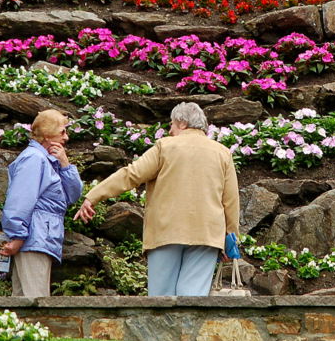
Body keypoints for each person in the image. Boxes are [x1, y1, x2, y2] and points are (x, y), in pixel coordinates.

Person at [75, 102, 239, 297]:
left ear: (182, 123)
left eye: (171, 125)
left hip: (166, 230)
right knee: (193, 299)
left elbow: (131, 175)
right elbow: (230, 200)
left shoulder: (165, 147)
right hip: (207, 234)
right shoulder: (222, 153)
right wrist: (231, 239)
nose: (169, 130)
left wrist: (93, 196)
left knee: (161, 298)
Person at [0, 109, 82, 298]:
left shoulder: (48, 161)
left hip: (39, 238)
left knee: (23, 304)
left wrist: (65, 163)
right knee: (36, 303)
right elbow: (20, 200)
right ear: (47, 134)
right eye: (62, 131)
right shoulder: (34, 159)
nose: (66, 137)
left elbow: (73, 195)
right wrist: (18, 237)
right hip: (33, 240)